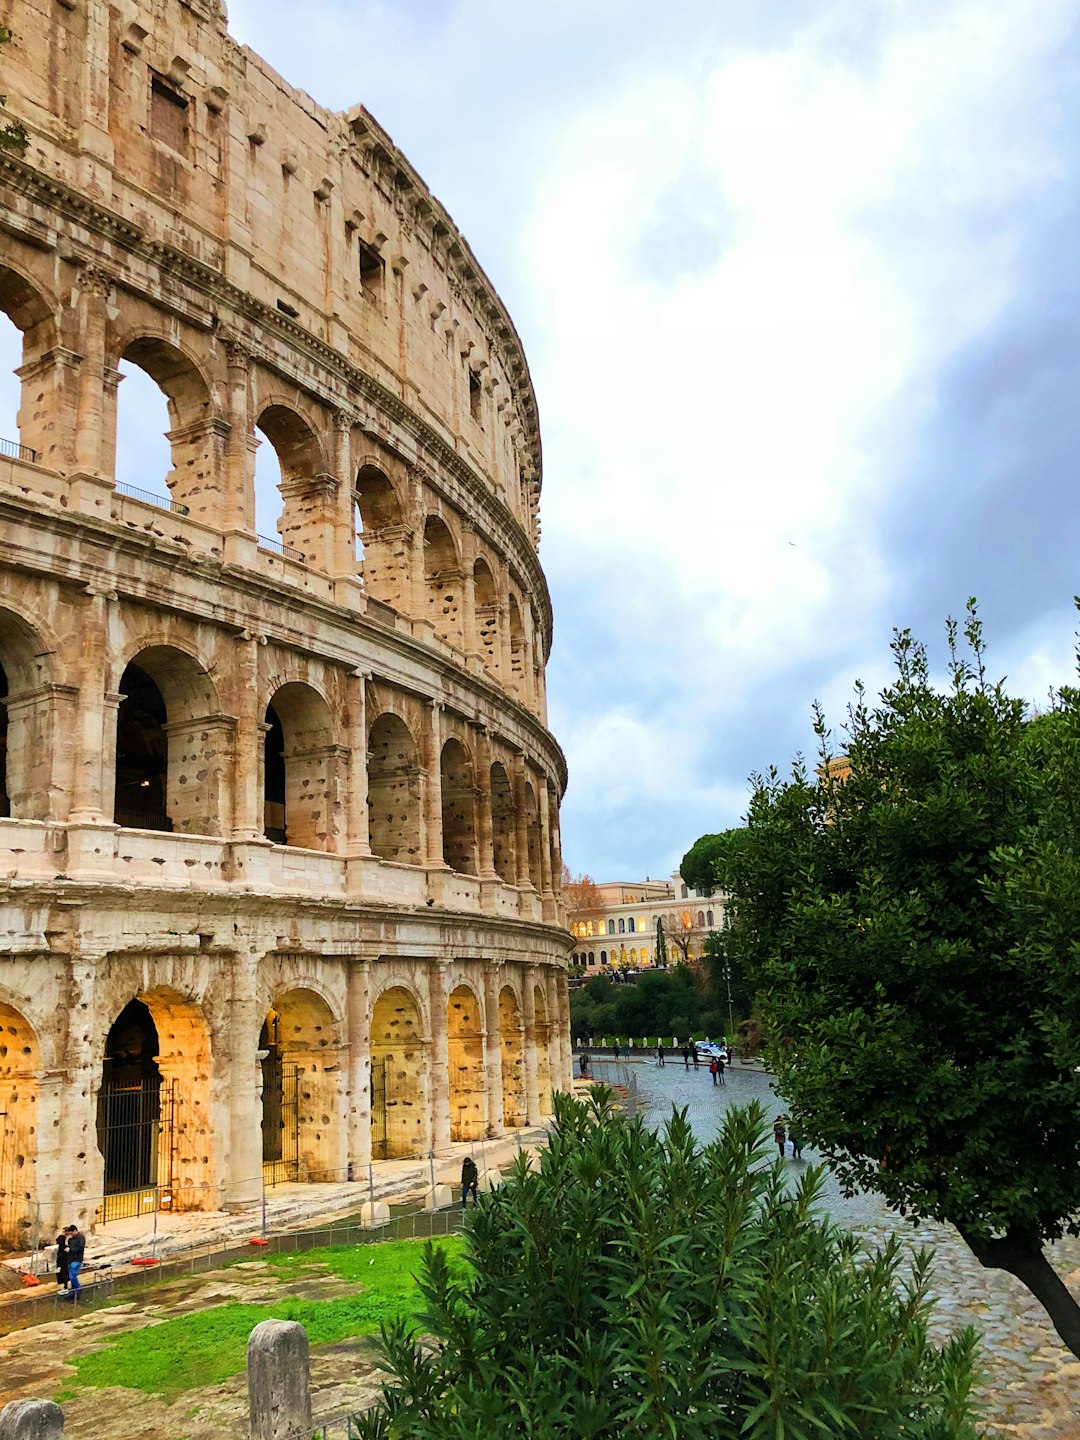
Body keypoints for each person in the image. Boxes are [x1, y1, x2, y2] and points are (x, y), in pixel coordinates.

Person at [64, 1224, 85, 1299]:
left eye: (72, 1233)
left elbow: (80, 1248)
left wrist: (71, 1249)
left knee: (72, 1275)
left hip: (77, 1259)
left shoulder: (81, 1238)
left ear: (75, 1231)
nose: (71, 1235)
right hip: (70, 1259)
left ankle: (78, 1288)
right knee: (71, 1276)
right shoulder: (70, 1239)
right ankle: (73, 1291)